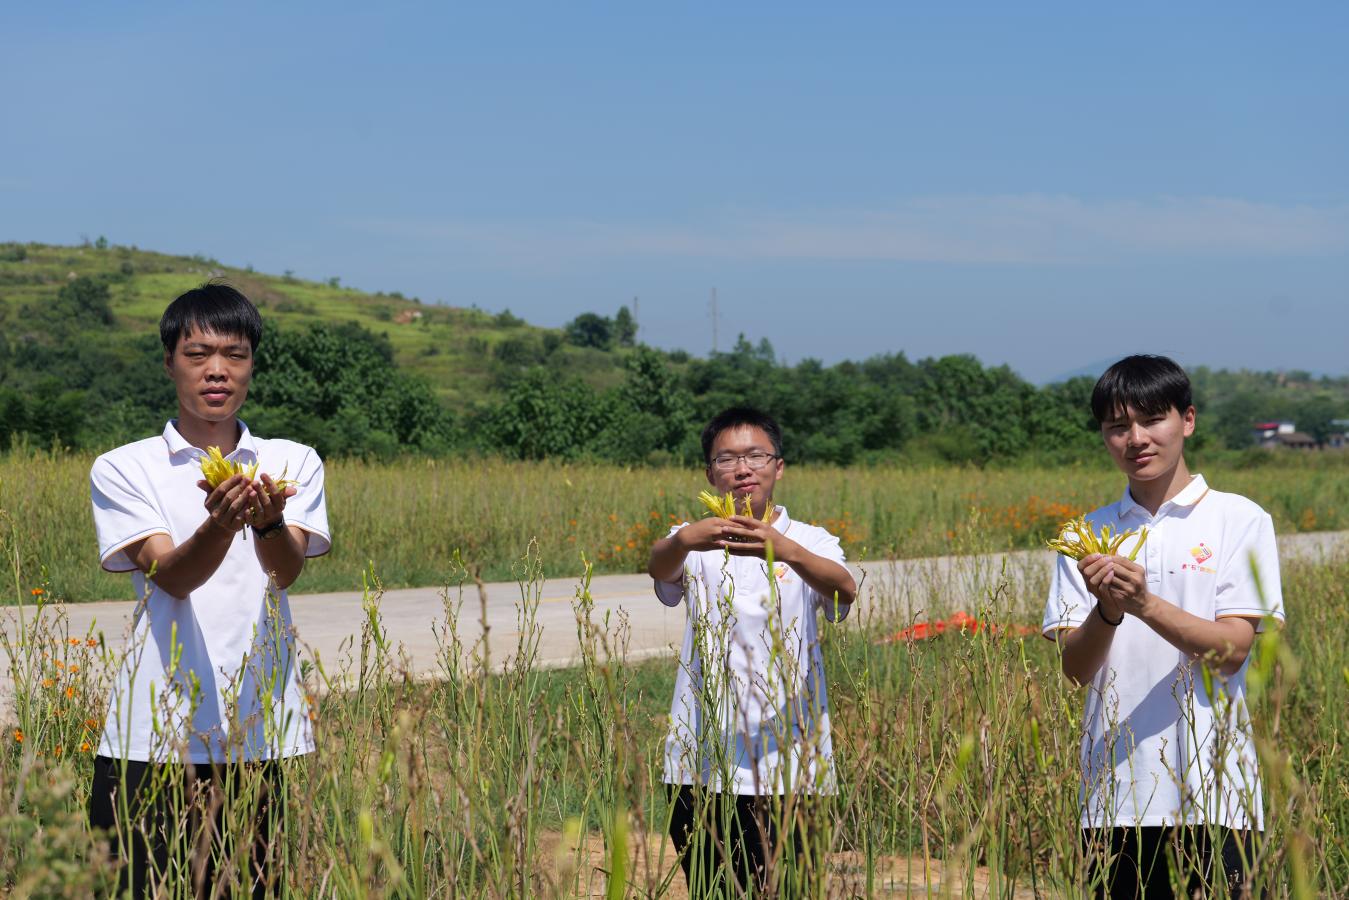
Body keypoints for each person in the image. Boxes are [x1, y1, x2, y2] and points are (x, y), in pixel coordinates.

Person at [87, 282, 331, 898]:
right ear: (169, 362)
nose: (217, 370)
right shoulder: (124, 466)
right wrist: (221, 525)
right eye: (197, 354)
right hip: (151, 736)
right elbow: (170, 576)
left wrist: (269, 523)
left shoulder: (291, 462)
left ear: (252, 365)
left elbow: (284, 571)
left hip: (260, 736)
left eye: (235, 354)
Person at [1042, 355, 1283, 899]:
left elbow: (1233, 651)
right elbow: (1075, 671)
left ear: (1187, 420)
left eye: (1152, 420)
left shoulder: (1239, 519)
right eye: (1117, 426)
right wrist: (1108, 611)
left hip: (1218, 794)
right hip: (1114, 798)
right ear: (1103, 436)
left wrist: (1145, 604)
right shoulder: (1085, 535)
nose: (1136, 439)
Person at [647, 407, 857, 897]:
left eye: (756, 456)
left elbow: (845, 590)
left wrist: (785, 551)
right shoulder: (693, 540)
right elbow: (659, 566)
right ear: (710, 474)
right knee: (712, 887)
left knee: (787, 888)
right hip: (700, 760)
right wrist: (686, 538)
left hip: (790, 763)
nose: (742, 469)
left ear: (778, 467)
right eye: (727, 459)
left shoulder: (810, 540)